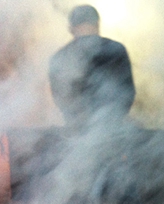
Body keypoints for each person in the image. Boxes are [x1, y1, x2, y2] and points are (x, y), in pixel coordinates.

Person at [49, 4, 136, 133]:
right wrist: (113, 120)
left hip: (76, 135)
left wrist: (77, 121)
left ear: (71, 28)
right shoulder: (117, 50)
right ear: (97, 25)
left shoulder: (59, 56)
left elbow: (60, 98)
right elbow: (128, 93)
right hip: (112, 132)